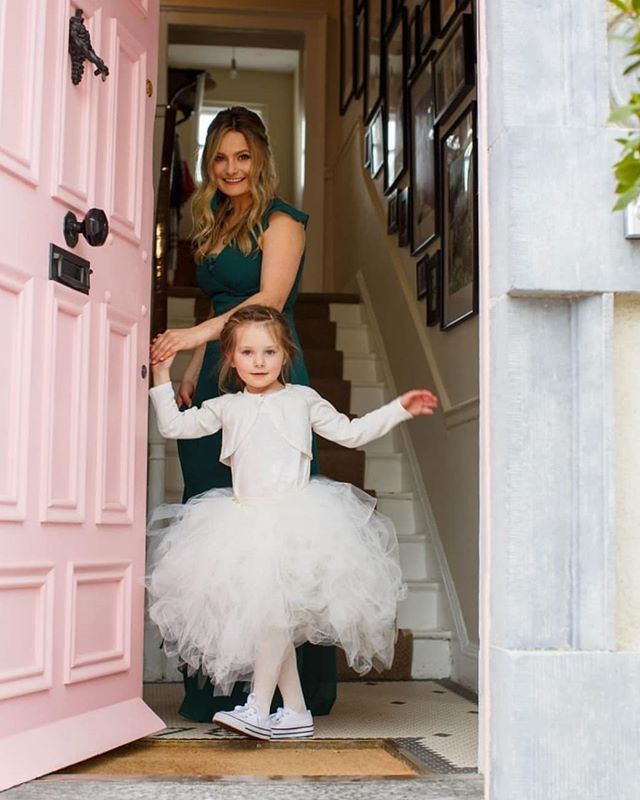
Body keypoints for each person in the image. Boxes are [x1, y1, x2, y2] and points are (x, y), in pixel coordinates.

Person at [147, 305, 439, 740]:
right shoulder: (225, 406)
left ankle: (258, 708)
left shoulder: (303, 400)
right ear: (230, 358)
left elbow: (352, 434)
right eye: (247, 352)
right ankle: (297, 711)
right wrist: (161, 376)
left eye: (269, 351)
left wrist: (399, 408)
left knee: (273, 616)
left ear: (286, 356)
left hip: (295, 523)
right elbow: (173, 427)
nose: (259, 361)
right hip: (242, 524)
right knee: (271, 617)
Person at [149, 106, 330, 721]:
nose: (230, 168)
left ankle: (289, 695)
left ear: (261, 158)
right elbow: (218, 296)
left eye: (242, 156)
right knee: (212, 518)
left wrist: (192, 336)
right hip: (218, 370)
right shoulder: (214, 222)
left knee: (272, 527)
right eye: (219, 157)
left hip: (268, 370)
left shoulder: (283, 221)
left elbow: (268, 300)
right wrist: (199, 361)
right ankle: (216, 686)